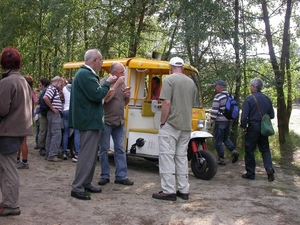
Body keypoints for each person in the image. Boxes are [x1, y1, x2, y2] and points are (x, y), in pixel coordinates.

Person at [69, 49, 117, 200]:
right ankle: (77, 187)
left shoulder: (85, 74)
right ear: (95, 60)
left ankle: (86, 183)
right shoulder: (85, 74)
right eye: (101, 60)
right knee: (86, 155)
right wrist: (108, 83)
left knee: (90, 155)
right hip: (88, 120)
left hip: (90, 120)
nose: (102, 64)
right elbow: (96, 95)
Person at [152, 57, 196, 201]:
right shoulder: (191, 82)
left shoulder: (169, 80)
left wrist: (163, 122)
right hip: (186, 125)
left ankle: (168, 191)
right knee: (181, 158)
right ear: (182, 68)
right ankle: (183, 190)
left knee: (166, 157)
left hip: (171, 124)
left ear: (170, 67)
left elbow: (167, 102)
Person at [0, 47, 33, 216]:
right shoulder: (23, 81)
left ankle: (11, 204)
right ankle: (8, 201)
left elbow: (2, 109)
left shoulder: (7, 82)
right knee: (7, 167)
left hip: (8, 131)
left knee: (8, 168)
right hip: (17, 130)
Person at [98, 62, 134, 186]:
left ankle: (121, 176)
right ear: (113, 73)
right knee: (104, 149)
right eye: (121, 72)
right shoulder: (104, 83)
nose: (123, 74)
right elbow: (105, 100)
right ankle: (104, 175)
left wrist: (127, 96)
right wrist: (117, 84)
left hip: (119, 122)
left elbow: (123, 103)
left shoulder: (123, 83)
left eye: (123, 72)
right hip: (106, 121)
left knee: (120, 150)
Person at [240, 78, 275, 182]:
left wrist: (244, 127)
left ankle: (250, 173)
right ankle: (269, 168)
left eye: (251, 86)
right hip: (264, 128)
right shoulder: (267, 99)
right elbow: (272, 115)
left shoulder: (249, 99)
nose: (250, 87)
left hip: (252, 127)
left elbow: (244, 116)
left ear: (254, 87)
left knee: (249, 150)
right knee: (265, 149)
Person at [210, 80, 239, 165]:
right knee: (225, 138)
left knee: (218, 140)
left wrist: (211, 121)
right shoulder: (230, 96)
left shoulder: (218, 97)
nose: (215, 88)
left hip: (219, 122)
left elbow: (214, 110)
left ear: (220, 87)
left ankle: (221, 158)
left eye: (216, 86)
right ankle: (233, 151)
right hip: (228, 121)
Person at [16, 75, 37, 169]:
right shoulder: (32, 93)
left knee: (21, 141)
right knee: (23, 141)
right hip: (28, 118)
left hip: (23, 119)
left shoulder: (26, 92)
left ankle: (21, 161)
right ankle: (21, 160)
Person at [44, 76, 64, 162]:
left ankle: (48, 152)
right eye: (61, 82)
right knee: (56, 134)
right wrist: (52, 108)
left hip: (52, 114)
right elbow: (45, 97)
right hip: (54, 114)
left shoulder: (52, 88)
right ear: (58, 81)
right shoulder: (52, 88)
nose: (62, 84)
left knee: (50, 134)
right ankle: (52, 155)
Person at [62, 78, 80, 162]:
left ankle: (64, 152)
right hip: (74, 111)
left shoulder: (64, 88)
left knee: (66, 132)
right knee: (77, 132)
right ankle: (77, 153)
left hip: (65, 110)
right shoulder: (77, 88)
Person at [38, 78, 51, 156]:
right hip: (44, 114)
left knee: (43, 131)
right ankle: (41, 147)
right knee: (43, 131)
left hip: (44, 113)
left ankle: (42, 146)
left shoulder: (44, 92)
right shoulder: (44, 92)